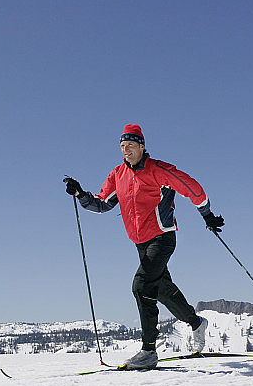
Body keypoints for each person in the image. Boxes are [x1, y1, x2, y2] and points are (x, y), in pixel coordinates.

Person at [64, 124, 224, 369]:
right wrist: (80, 194)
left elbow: (193, 188)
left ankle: (148, 351)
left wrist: (207, 215)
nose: (126, 150)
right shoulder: (118, 174)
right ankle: (196, 323)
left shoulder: (159, 170)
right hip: (140, 243)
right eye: (122, 147)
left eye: (130, 145)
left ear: (142, 146)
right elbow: (102, 204)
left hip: (162, 238)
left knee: (141, 286)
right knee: (161, 290)